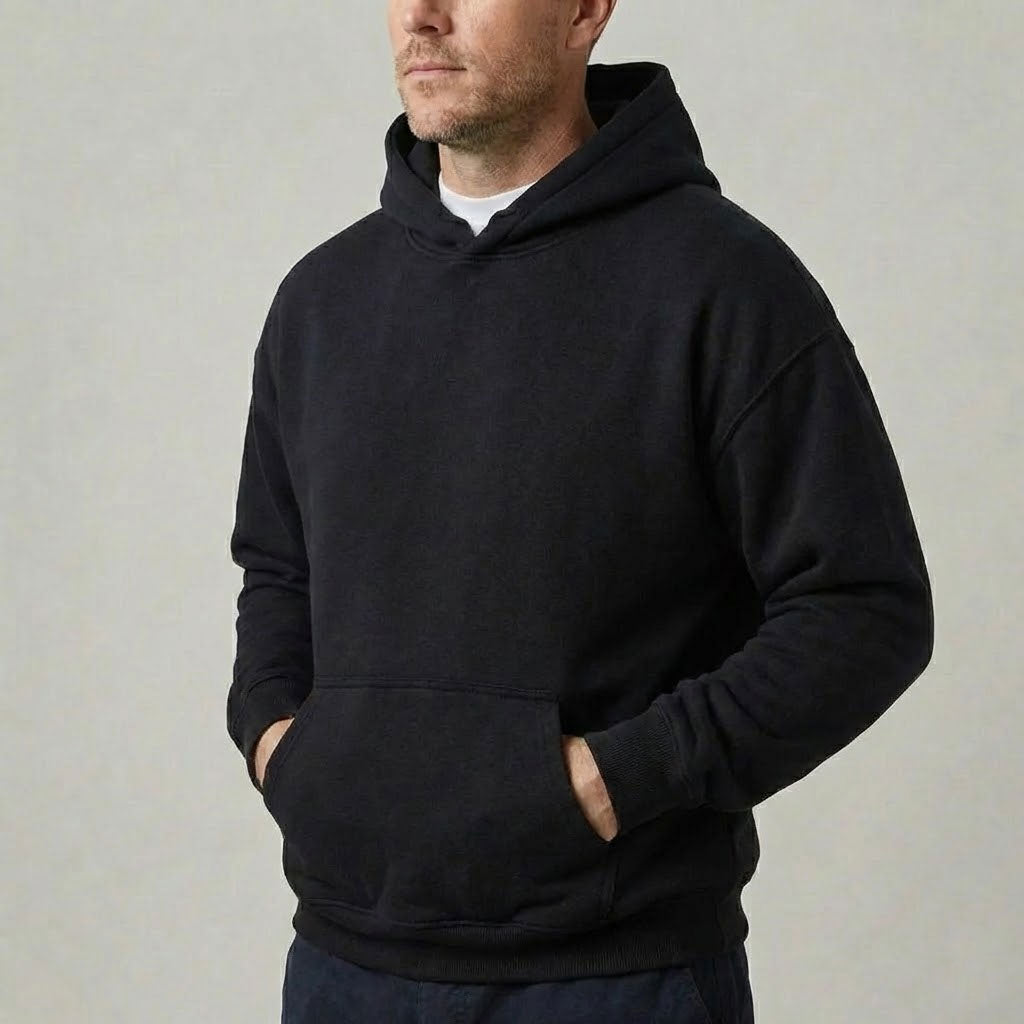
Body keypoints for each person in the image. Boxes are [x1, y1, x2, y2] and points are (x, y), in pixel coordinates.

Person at [226, 2, 934, 1021]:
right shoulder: (321, 300)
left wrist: (616, 778)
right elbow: (278, 569)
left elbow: (864, 607)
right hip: (345, 968)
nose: (422, 16)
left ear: (586, 11)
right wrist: (281, 745)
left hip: (616, 978)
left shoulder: (725, 284)